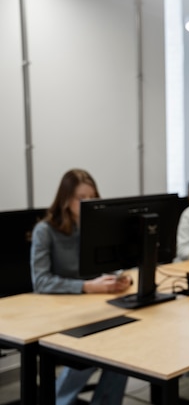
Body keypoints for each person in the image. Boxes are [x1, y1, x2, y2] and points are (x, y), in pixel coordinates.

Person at [30, 168, 131, 405]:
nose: (88, 203)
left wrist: (119, 276)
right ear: (66, 199)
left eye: (92, 198)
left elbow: (109, 263)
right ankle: (58, 401)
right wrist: (87, 287)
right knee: (94, 350)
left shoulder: (97, 227)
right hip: (59, 311)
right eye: (81, 198)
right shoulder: (45, 231)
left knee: (125, 350)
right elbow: (41, 281)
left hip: (94, 308)